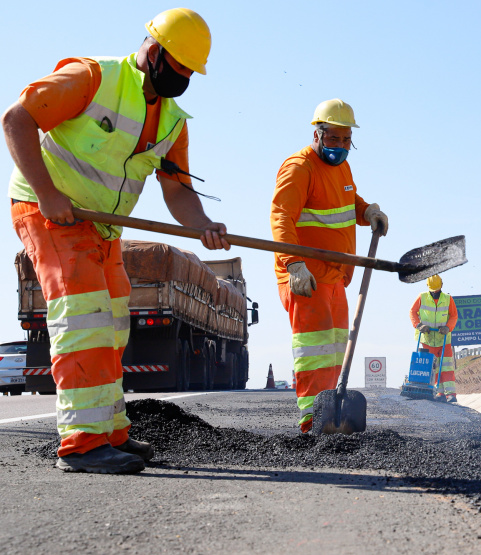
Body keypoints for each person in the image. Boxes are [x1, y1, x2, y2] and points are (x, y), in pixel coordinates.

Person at [1, 9, 228, 474]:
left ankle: (110, 433)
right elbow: (16, 119)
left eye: (190, 71)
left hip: (102, 226)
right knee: (84, 320)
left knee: (113, 322)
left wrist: (203, 223)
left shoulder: (172, 122)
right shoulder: (92, 78)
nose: (182, 77)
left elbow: (177, 190)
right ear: (152, 49)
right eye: (177, 65)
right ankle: (82, 445)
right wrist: (48, 194)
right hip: (50, 212)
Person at [271, 98, 388, 433]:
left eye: (345, 139)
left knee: (336, 349)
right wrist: (293, 265)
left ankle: (332, 418)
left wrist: (367, 212)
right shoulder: (299, 167)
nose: (339, 146)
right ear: (317, 135)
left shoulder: (343, 167)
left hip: (335, 278)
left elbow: (346, 200)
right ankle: (312, 419)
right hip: (306, 278)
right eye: (333, 138)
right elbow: (281, 217)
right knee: (315, 352)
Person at [409, 274, 458, 402]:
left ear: (442, 286)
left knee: (446, 366)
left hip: (443, 339)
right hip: (428, 338)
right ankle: (438, 392)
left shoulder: (448, 299)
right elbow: (412, 312)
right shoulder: (422, 297)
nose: (435, 293)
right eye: (433, 290)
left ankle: (451, 394)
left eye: (437, 290)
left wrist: (448, 327)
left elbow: (453, 316)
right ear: (428, 287)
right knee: (432, 366)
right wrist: (418, 325)